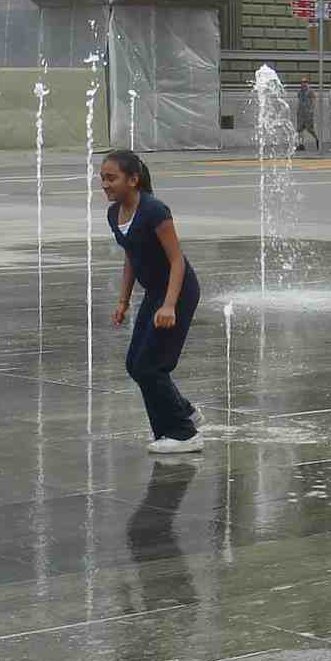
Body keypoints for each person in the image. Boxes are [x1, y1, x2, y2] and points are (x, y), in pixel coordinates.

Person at [101, 149, 203, 453]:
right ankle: (183, 412)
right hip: (155, 292)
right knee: (135, 364)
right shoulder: (114, 214)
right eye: (102, 178)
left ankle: (183, 434)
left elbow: (177, 261)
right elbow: (131, 257)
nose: (105, 184)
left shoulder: (154, 211)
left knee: (151, 365)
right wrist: (123, 300)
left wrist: (169, 305)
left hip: (178, 291)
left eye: (111, 178)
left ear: (133, 180)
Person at [296, 76, 320, 153]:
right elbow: (299, 101)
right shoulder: (300, 92)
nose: (303, 83)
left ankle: (317, 139)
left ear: (307, 83)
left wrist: (311, 110)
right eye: (302, 82)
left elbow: (314, 100)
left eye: (305, 82)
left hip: (308, 113)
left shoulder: (310, 91)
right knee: (299, 129)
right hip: (301, 113)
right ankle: (301, 144)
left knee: (310, 129)